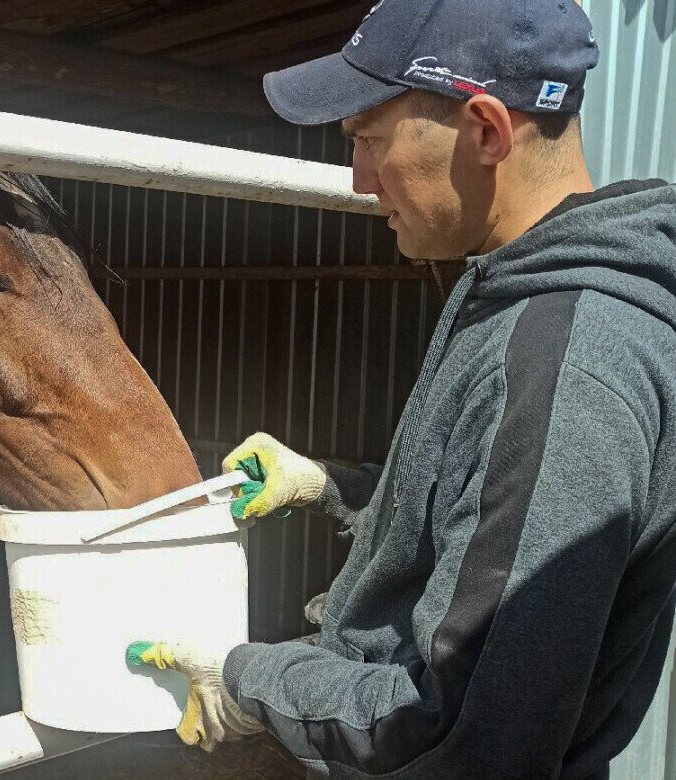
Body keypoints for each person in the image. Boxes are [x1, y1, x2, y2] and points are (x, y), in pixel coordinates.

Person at [128, 0, 676, 776]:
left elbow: (455, 728)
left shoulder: (564, 368)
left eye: (368, 139)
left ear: (485, 130)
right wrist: (334, 489)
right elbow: (486, 516)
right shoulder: (516, 293)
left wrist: (246, 676)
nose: (357, 180)